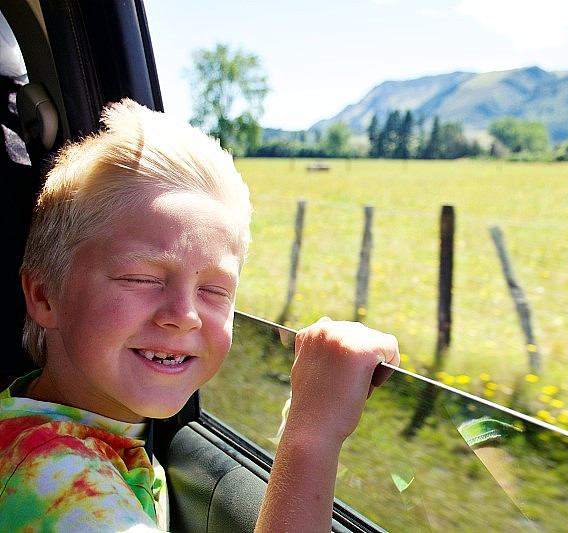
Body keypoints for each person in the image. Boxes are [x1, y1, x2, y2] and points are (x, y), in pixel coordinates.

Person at [0, 98, 399, 532]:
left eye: (214, 290)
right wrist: (310, 438)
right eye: (139, 277)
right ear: (44, 296)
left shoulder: (43, 425)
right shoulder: (59, 485)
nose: (184, 315)